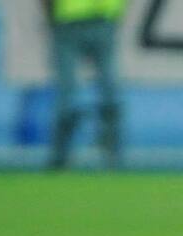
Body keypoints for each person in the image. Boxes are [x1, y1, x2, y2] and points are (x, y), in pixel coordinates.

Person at [41, 0, 125, 170]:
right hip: (98, 19)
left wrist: (51, 19)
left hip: (71, 20)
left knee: (69, 91)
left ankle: (60, 157)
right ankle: (112, 155)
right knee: (107, 88)